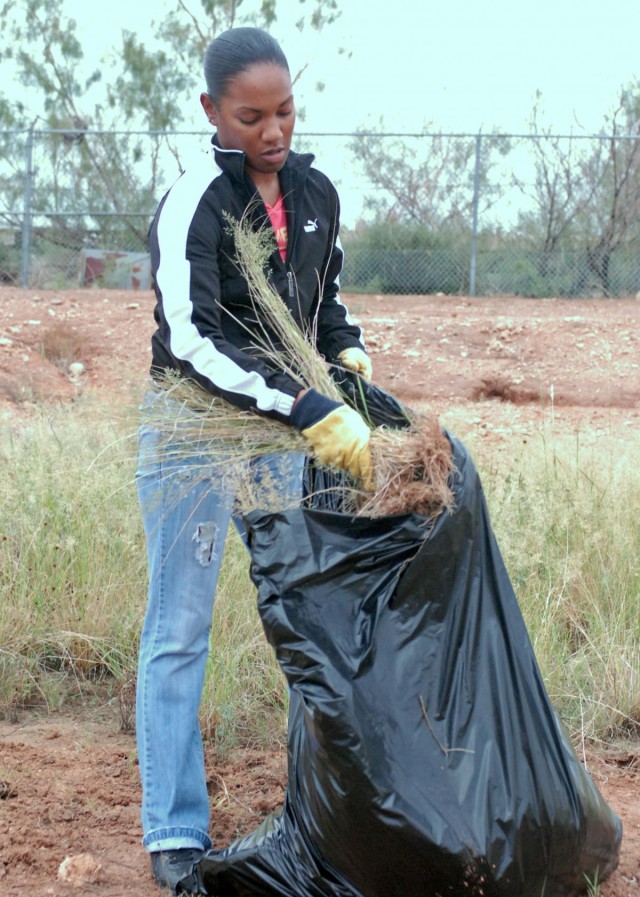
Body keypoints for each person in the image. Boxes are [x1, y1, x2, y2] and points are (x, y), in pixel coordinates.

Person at [135, 26, 374, 894]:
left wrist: (347, 357)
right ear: (212, 112)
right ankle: (174, 834)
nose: (272, 132)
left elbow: (326, 300)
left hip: (280, 438)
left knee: (302, 618)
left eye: (283, 112)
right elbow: (193, 340)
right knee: (180, 628)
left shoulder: (315, 192)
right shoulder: (195, 198)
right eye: (250, 116)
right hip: (195, 435)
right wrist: (305, 403)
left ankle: (315, 820)